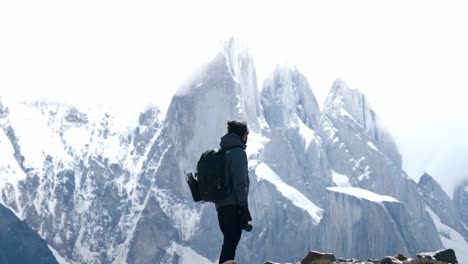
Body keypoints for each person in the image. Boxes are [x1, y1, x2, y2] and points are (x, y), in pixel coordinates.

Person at [216, 120, 252, 264]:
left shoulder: (223, 152)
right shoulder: (238, 153)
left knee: (229, 241)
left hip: (221, 207)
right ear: (242, 135)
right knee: (231, 242)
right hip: (233, 206)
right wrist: (244, 207)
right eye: (246, 134)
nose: (247, 138)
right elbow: (239, 184)